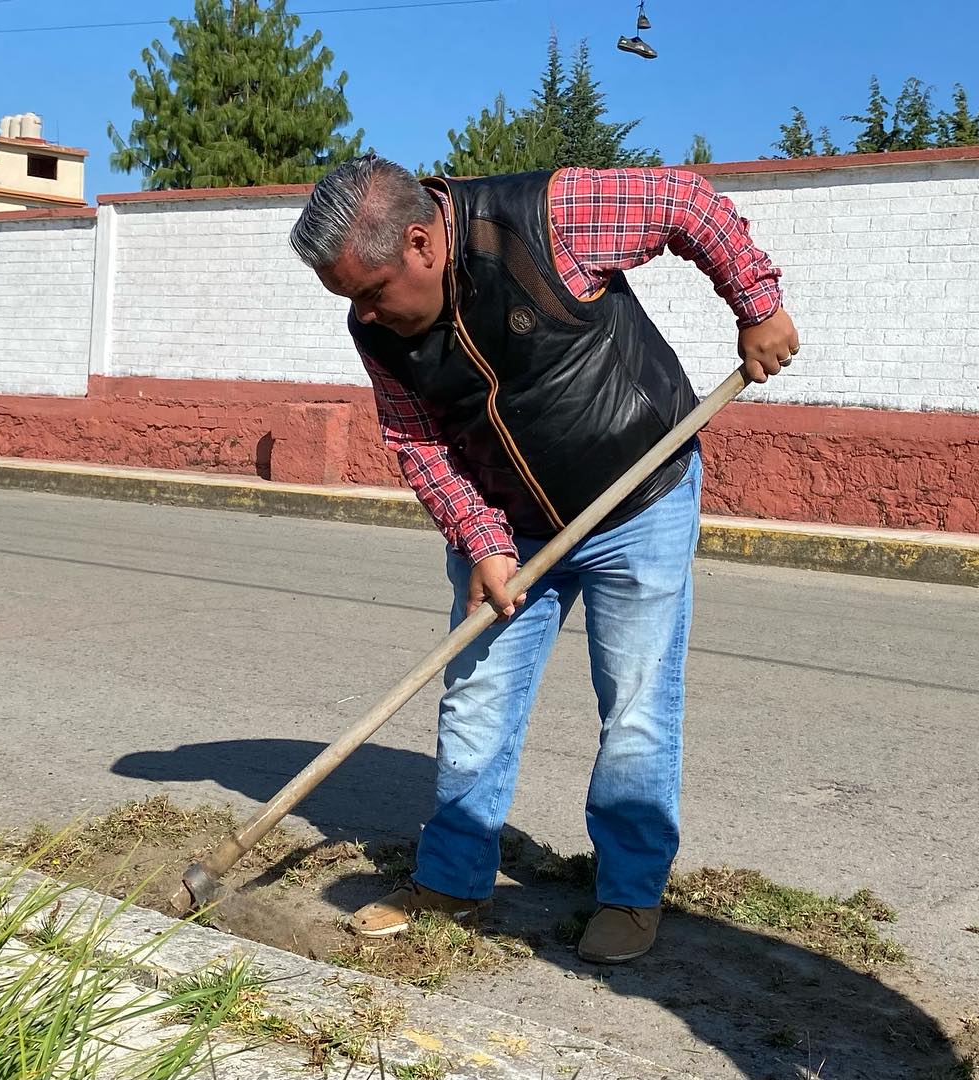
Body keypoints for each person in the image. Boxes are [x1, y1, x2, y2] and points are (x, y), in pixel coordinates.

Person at [288, 155, 798, 964]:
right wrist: (481, 540)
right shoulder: (377, 329)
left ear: (421, 243)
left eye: (370, 293)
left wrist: (756, 304)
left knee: (636, 703)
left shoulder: (546, 217)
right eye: (351, 301)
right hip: (512, 527)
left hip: (640, 495)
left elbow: (683, 200)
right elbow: (417, 438)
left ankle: (629, 893)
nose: (366, 316)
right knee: (476, 697)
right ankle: (453, 880)